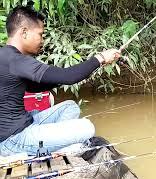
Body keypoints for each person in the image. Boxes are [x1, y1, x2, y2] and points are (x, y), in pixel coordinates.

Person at [0, 6, 121, 156]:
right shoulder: (16, 60)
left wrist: (87, 70)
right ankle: (56, 147)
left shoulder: (5, 56)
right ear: (24, 32)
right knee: (86, 127)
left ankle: (50, 141)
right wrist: (101, 58)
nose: (42, 41)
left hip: (23, 125)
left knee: (70, 107)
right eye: (40, 34)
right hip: (13, 140)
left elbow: (33, 87)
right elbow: (68, 76)